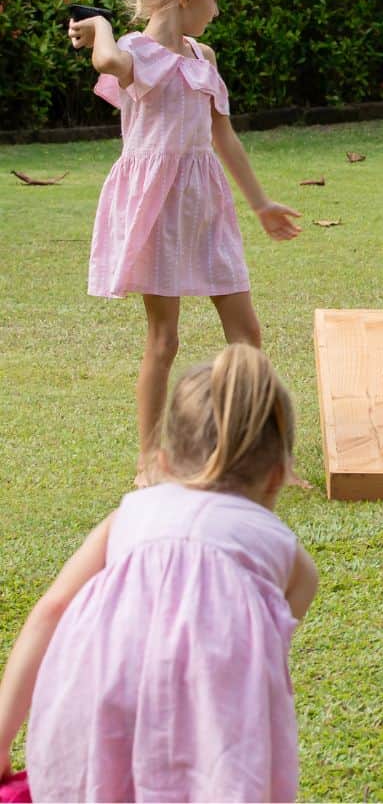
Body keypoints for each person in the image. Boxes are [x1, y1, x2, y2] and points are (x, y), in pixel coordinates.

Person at [0, 343, 319, 803]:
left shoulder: (131, 514)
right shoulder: (286, 553)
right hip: (213, 738)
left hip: (99, 705)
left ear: (163, 463)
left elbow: (51, 609)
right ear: (277, 475)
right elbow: (262, 654)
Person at [67, 0, 302, 484]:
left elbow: (223, 135)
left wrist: (262, 204)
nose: (217, 12)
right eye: (214, 0)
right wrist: (99, 24)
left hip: (206, 205)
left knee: (248, 334)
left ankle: (270, 456)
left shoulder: (204, 56)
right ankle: (151, 462)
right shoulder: (134, 53)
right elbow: (106, 65)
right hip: (157, 210)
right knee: (164, 339)